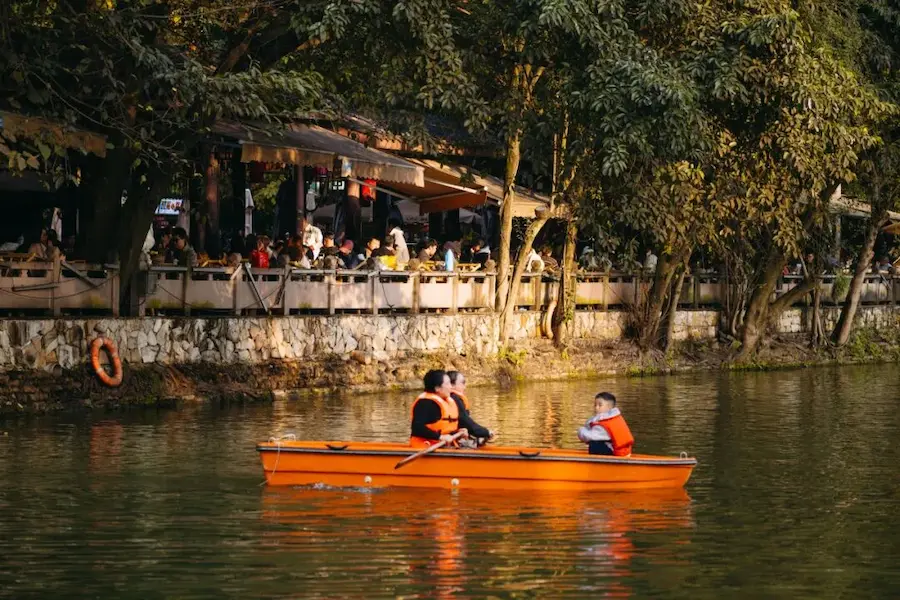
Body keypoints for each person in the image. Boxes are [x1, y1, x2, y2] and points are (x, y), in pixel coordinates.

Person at [410, 369, 469, 448]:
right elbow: (417, 428)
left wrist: (457, 432)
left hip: (442, 446)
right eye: (448, 384)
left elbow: (444, 429)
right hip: (426, 447)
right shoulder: (425, 403)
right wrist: (440, 437)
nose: (451, 387)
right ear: (437, 388)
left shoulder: (446, 401)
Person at [577, 392, 634, 457]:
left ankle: (597, 463)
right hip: (619, 451)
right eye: (595, 405)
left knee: (594, 444)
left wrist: (580, 430)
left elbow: (589, 436)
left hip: (616, 453)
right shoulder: (611, 419)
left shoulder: (604, 424)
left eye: (600, 405)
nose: (596, 408)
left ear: (609, 408)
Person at [447, 371, 493, 446]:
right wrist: (486, 432)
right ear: (452, 385)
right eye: (463, 382)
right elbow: (465, 421)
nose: (465, 387)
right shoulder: (454, 398)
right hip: (441, 439)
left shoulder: (452, 398)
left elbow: (463, 422)